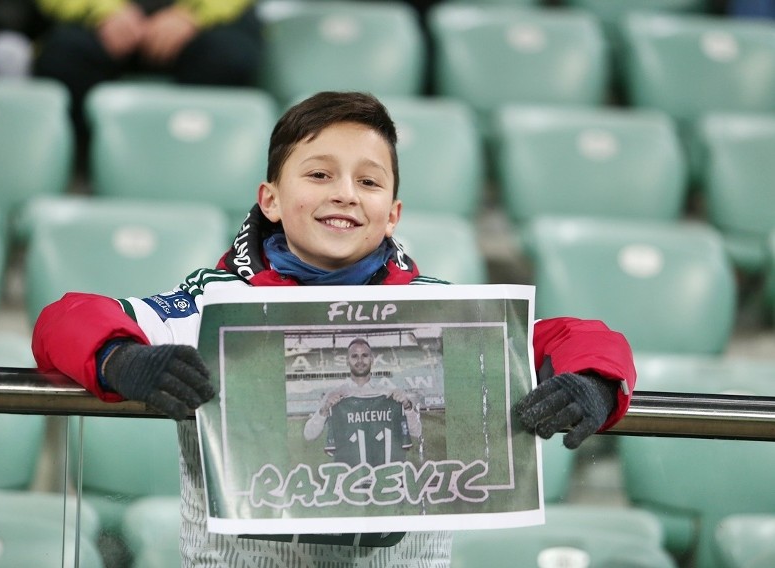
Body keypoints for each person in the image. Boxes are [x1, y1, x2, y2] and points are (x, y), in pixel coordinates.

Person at [32, 91, 637, 567]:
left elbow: (574, 336)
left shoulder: (445, 312)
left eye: (369, 182)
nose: (345, 194)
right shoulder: (213, 303)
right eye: (319, 175)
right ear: (270, 198)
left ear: (393, 212)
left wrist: (593, 380)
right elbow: (65, 319)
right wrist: (118, 359)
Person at [31, 0, 262, 158]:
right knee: (62, 56)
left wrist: (191, 14)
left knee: (229, 57)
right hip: (103, 26)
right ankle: (88, 164)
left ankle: (201, 159)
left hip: (200, 27)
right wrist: (104, 11)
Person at [303, 337, 421, 467]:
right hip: (351, 478)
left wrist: (407, 406)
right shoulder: (335, 396)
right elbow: (309, 434)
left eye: (364, 355)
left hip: (383, 474)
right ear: (347, 361)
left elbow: (417, 432)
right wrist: (324, 409)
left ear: (372, 359)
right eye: (354, 356)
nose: (360, 360)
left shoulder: (388, 393)